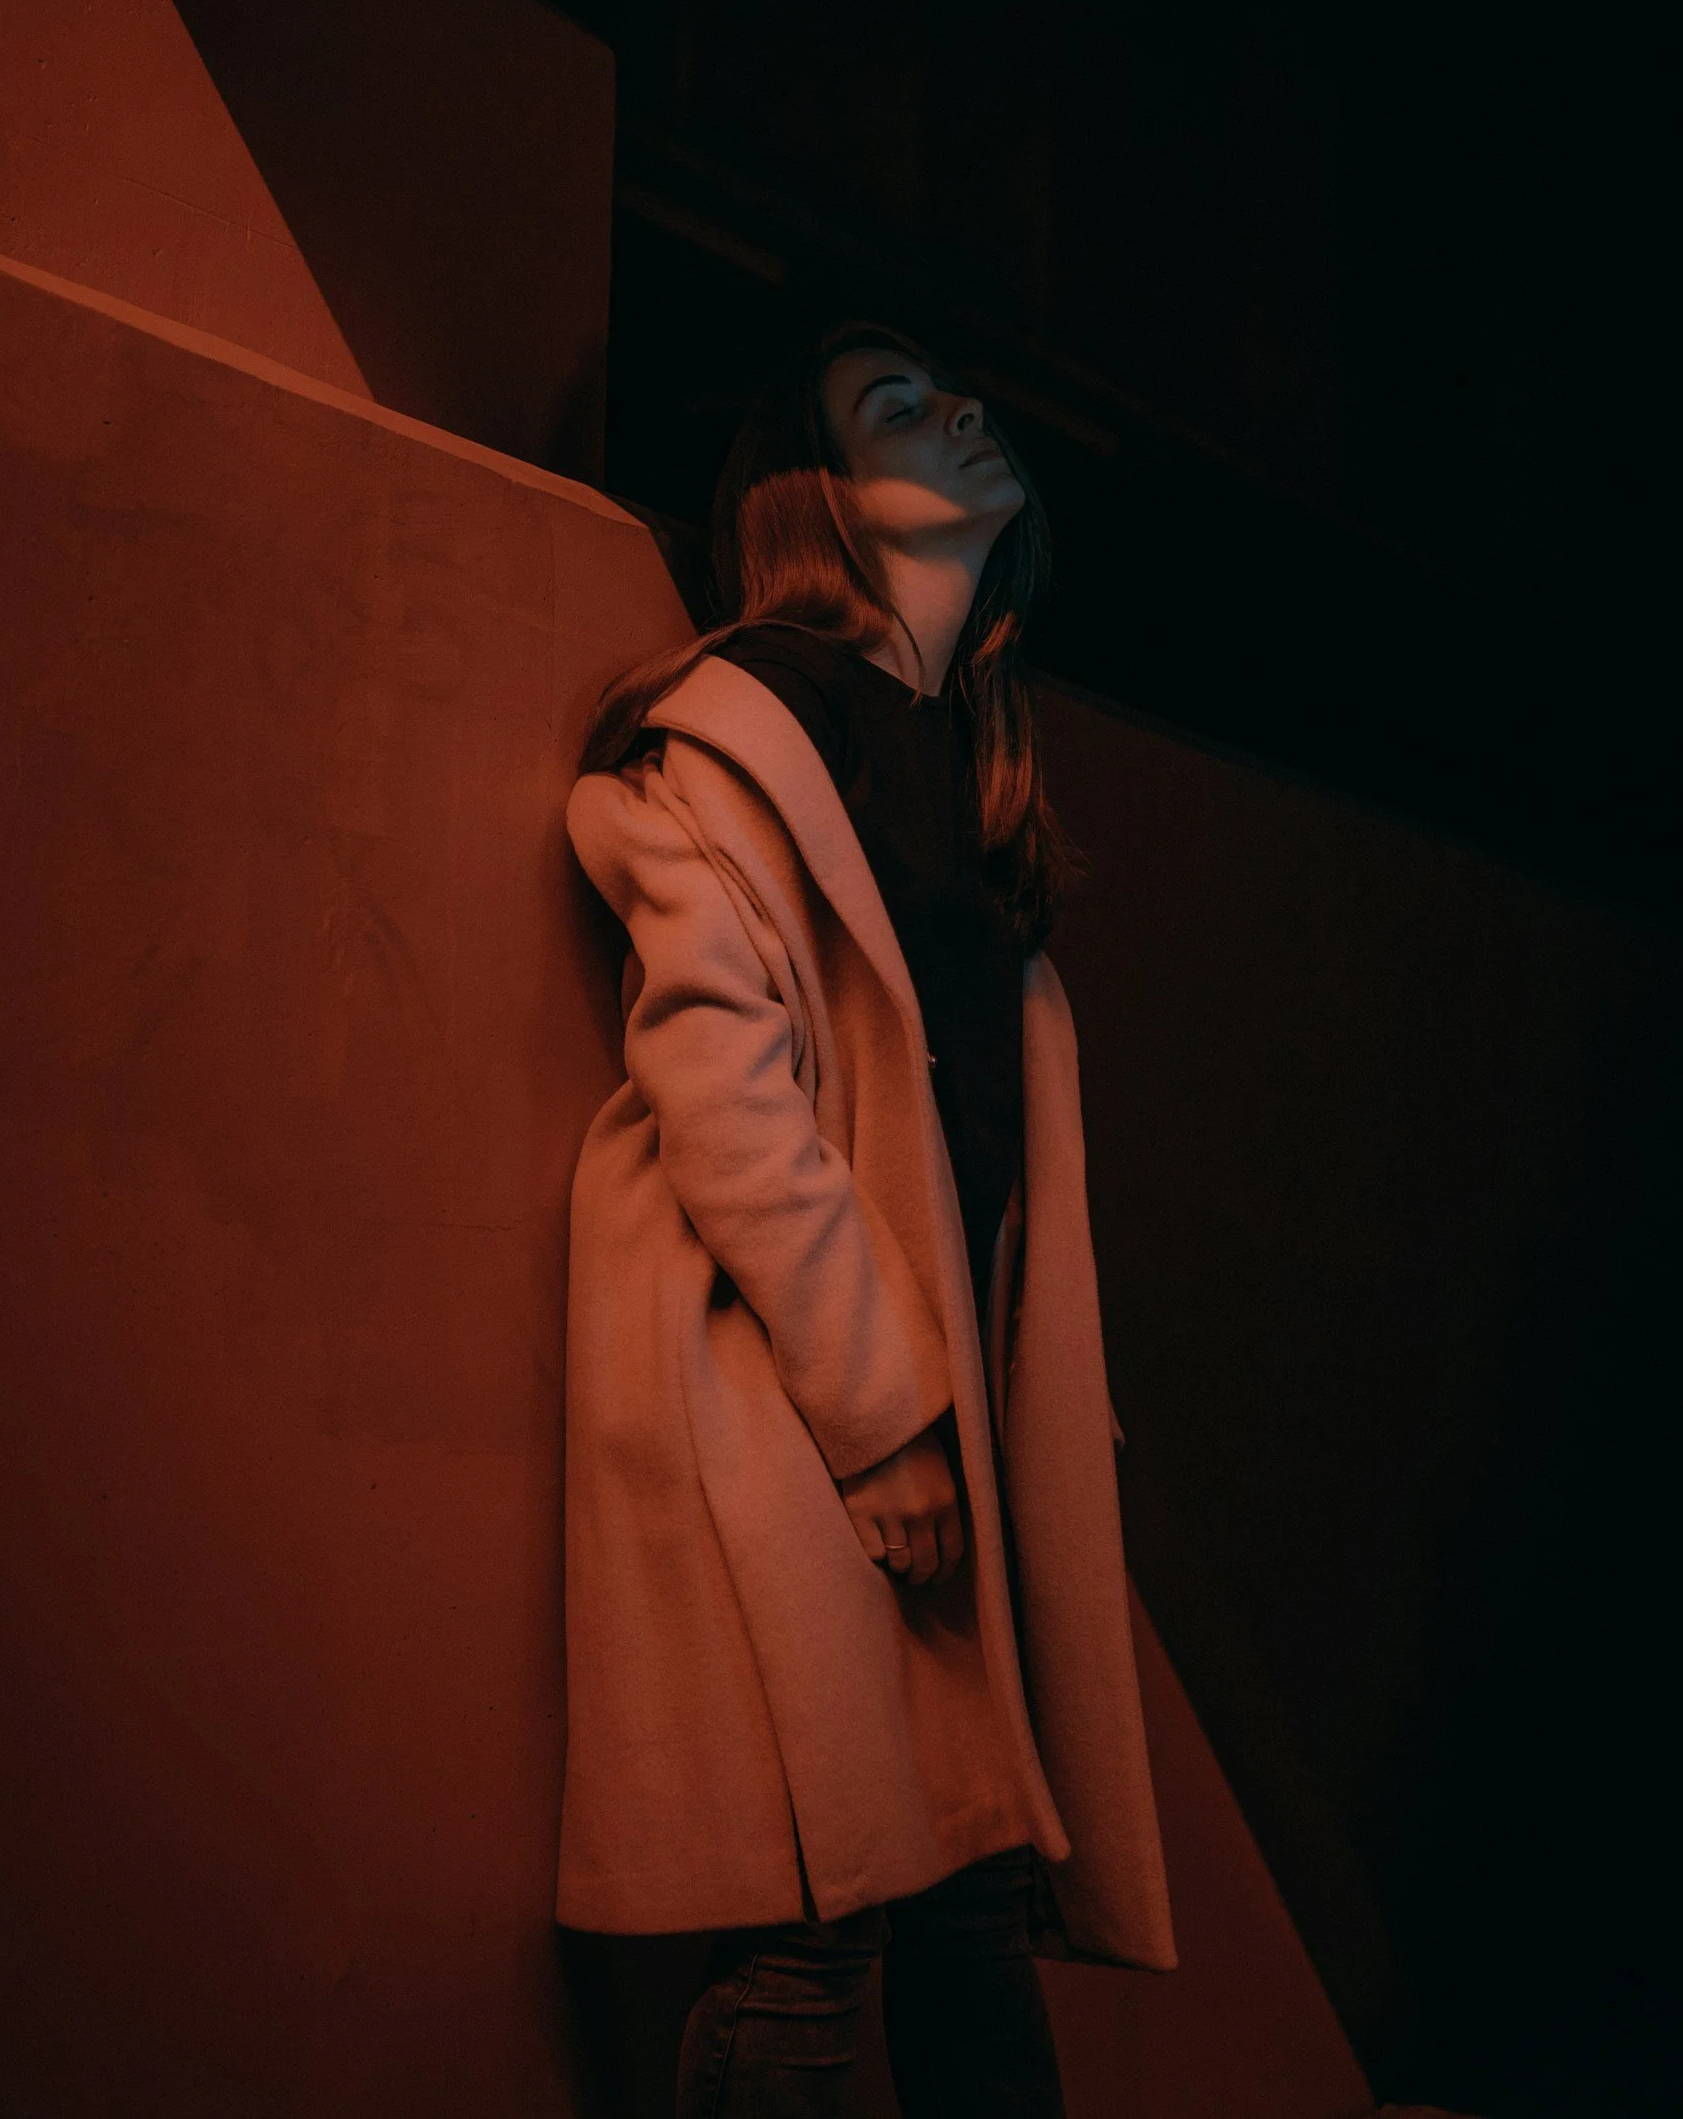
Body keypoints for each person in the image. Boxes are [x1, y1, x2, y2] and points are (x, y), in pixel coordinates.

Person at [561, 323, 1175, 2117]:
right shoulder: (738, 732)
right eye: (895, 407)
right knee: (815, 1929)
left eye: (952, 392)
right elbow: (720, 1080)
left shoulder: (967, 787)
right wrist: (881, 1412)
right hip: (790, 1388)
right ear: (814, 499)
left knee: (970, 1902)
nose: (963, 409)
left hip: (939, 1413)